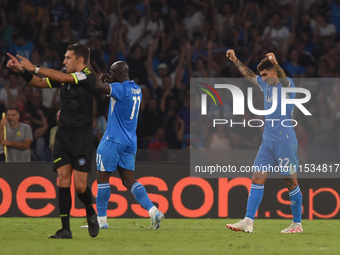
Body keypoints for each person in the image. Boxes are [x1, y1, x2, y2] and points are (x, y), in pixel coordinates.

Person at [6, 43, 99, 239]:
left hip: (81, 136)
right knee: (63, 180)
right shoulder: (64, 76)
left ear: (80, 60)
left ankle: (90, 211)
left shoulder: (87, 76)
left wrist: (35, 67)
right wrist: (22, 71)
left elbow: (64, 77)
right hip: (63, 134)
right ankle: (65, 229)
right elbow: (39, 83)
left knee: (80, 186)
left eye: (68, 58)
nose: (64, 61)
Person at [225, 49, 303, 233]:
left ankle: (297, 224)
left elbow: (283, 77)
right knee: (256, 178)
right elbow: (250, 75)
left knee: (290, 181)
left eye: (266, 74)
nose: (263, 78)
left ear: (274, 71)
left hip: (285, 140)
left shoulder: (287, 84)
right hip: (267, 141)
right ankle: (248, 221)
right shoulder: (265, 84)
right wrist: (236, 60)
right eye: (262, 75)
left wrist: (276, 62)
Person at [81, 61, 164, 229]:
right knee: (128, 180)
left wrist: (88, 66)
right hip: (130, 141)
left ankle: (102, 221)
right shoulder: (136, 89)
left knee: (103, 177)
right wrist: (109, 80)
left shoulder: (119, 89)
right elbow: (117, 92)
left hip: (112, 139)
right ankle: (154, 211)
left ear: (118, 74)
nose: (110, 75)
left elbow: (98, 86)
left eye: (112, 73)